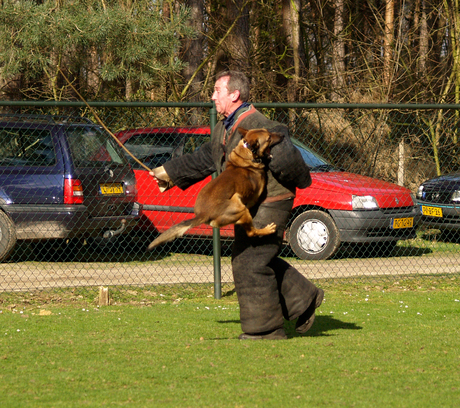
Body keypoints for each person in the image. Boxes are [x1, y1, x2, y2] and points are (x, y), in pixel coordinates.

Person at [151, 70, 323, 340]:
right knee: (255, 258)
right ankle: (304, 297)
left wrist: (295, 176)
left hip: (273, 200)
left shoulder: (259, 123)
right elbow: (208, 157)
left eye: (217, 90)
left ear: (234, 94)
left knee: (250, 261)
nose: (212, 96)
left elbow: (290, 162)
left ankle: (265, 331)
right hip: (250, 202)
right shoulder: (225, 126)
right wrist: (169, 172)